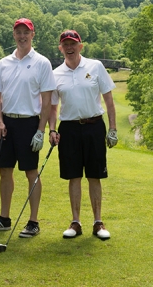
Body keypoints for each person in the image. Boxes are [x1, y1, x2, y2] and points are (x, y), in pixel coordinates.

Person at [0, 18, 56, 238]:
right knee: (5, 171)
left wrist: (41, 130)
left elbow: (47, 100)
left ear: (33, 35)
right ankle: (4, 218)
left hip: (29, 123)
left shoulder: (42, 63)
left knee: (30, 172)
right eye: (18, 32)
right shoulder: (4, 62)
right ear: (13, 35)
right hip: (7, 124)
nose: (22, 36)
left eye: (26, 32)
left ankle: (33, 221)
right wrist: (0, 121)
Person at [48, 29, 117, 240]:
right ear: (60, 48)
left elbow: (108, 99)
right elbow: (52, 107)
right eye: (65, 44)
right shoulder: (55, 74)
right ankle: (76, 222)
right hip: (68, 129)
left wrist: (113, 128)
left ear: (80, 46)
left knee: (95, 175)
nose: (69, 48)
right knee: (74, 175)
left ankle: (98, 222)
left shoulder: (95, 66)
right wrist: (52, 129)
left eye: (73, 44)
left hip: (94, 126)